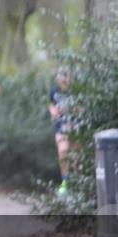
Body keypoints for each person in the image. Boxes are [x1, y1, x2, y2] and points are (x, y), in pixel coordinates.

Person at [48, 67, 74, 196]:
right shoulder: (54, 91)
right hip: (60, 127)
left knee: (75, 155)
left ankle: (77, 183)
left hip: (76, 127)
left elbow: (83, 107)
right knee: (63, 151)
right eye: (60, 78)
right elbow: (51, 103)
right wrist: (53, 111)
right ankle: (65, 182)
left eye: (65, 78)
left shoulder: (76, 90)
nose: (62, 81)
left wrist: (71, 109)